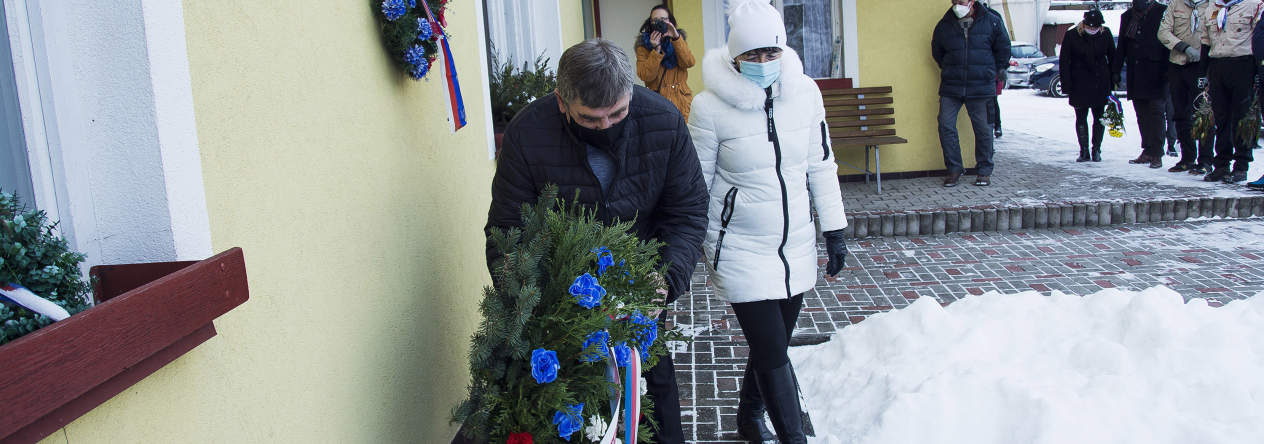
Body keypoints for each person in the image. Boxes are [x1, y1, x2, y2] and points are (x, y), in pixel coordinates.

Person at [484, 38, 708, 444]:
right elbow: (509, 233)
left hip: (640, 307)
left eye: (618, 113)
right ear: (561, 102)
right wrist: (544, 300)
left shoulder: (663, 120)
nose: (606, 126)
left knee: (657, 420)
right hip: (561, 324)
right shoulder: (526, 134)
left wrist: (663, 280)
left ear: (630, 94)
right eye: (591, 118)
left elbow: (687, 212)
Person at [687, 0, 849, 442]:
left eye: (770, 53)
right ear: (734, 57)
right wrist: (689, 249)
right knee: (774, 352)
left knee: (769, 347)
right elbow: (695, 184)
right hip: (737, 248)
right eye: (752, 55)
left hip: (794, 246)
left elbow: (821, 164)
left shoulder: (806, 94)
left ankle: (748, 417)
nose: (762, 63)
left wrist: (835, 230)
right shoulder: (708, 107)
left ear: (783, 50)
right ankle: (793, 437)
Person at [932, 0, 1011, 187]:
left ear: (972, 1)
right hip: (952, 86)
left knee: (983, 129)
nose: (957, 4)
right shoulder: (944, 24)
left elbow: (1003, 48)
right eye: (954, 1)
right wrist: (951, 69)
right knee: (945, 125)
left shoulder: (992, 21)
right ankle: (954, 169)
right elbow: (938, 52)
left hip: (981, 85)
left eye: (961, 1)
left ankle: (984, 171)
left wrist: (995, 70)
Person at [1200, 0, 1263, 183]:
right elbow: (1205, 41)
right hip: (1218, 65)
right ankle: (1221, 165)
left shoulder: (1253, 5)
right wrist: (1202, 73)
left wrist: (1258, 70)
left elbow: (1259, 37)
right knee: (1221, 118)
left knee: (1242, 118)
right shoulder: (1212, 7)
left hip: (1243, 64)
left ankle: (1241, 166)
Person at [1158, 0, 1215, 173]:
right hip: (1178, 63)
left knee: (1204, 114)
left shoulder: (1213, 5)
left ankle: (1205, 160)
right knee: (1181, 115)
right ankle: (1188, 158)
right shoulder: (1175, 4)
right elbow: (1163, 31)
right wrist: (1184, 47)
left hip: (1202, 65)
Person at [1115, 0, 1171, 169]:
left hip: (1157, 72)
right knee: (1142, 115)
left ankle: (1157, 153)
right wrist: (1115, 70)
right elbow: (1122, 46)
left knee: (1156, 113)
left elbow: (1168, 41)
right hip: (1136, 72)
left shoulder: (1163, 12)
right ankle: (1147, 150)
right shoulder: (1127, 16)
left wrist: (1170, 69)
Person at [1060, 9, 1116, 163]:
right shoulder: (1072, 35)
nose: (1093, 30)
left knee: (1099, 117)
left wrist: (1114, 78)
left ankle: (1096, 149)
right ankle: (1084, 150)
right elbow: (1064, 61)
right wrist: (1066, 84)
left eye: (1096, 27)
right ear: (1083, 24)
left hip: (1100, 81)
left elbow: (1113, 57)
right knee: (1081, 116)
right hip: (1079, 80)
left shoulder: (1106, 34)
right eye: (1090, 27)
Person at [635, 5, 696, 122]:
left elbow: (689, 62)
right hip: (657, 104)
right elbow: (646, 75)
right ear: (650, 24)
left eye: (664, 19)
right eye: (655, 21)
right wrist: (656, 51)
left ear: (670, 22)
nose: (660, 23)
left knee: (684, 138)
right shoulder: (643, 48)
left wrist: (676, 38)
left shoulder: (678, 41)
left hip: (682, 103)